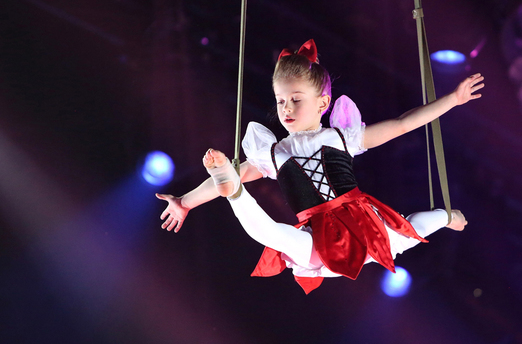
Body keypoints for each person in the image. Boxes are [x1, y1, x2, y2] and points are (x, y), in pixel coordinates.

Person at [156, 39, 484, 293]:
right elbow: (226, 180)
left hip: (359, 227)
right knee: (274, 234)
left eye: (296, 99)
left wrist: (453, 99)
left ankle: (447, 217)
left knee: (411, 230)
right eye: (281, 101)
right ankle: (233, 190)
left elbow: (402, 124)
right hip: (319, 240)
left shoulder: (340, 138)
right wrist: (185, 201)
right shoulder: (276, 152)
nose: (286, 108)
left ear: (323, 103)